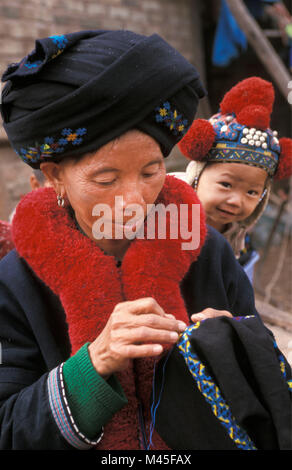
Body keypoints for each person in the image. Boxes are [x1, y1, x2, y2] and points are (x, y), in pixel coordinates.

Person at [0, 31, 290, 451]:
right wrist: (93, 364)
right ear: (53, 176)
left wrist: (233, 343)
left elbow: (272, 390)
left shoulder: (208, 252)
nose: (135, 201)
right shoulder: (14, 283)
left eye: (151, 172)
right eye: (105, 178)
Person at [172, 77, 292, 272]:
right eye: (226, 185)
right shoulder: (164, 215)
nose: (236, 201)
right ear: (197, 174)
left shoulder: (239, 242)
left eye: (252, 192)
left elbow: (238, 291)